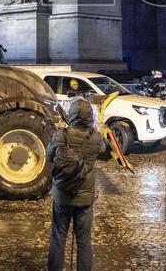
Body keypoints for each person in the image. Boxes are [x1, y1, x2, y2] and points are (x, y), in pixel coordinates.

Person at [46, 98, 104, 271]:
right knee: (84, 241)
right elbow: (103, 150)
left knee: (58, 238)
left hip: (62, 196)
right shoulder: (96, 138)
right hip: (85, 199)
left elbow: (49, 157)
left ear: (70, 115)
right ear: (90, 117)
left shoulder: (60, 135)